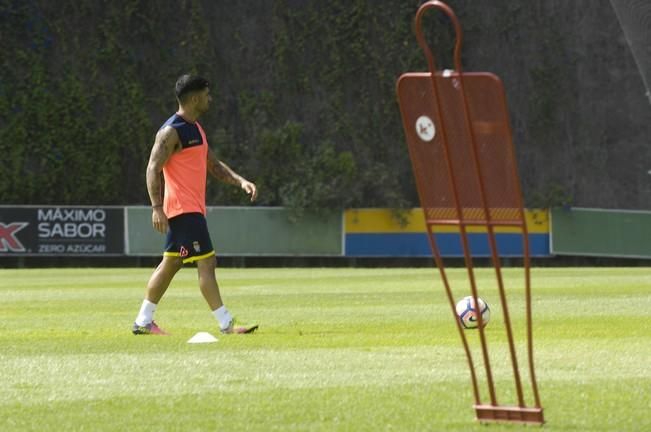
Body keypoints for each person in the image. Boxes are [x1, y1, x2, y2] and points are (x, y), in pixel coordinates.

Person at [132, 74, 258, 335]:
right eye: (207, 94)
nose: (210, 99)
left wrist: (240, 181)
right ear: (195, 98)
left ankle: (143, 321)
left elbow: (212, 164)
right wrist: (156, 208)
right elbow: (152, 168)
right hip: (183, 210)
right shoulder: (171, 131)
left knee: (171, 264)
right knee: (207, 262)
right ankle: (226, 324)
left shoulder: (197, 129)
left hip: (190, 210)